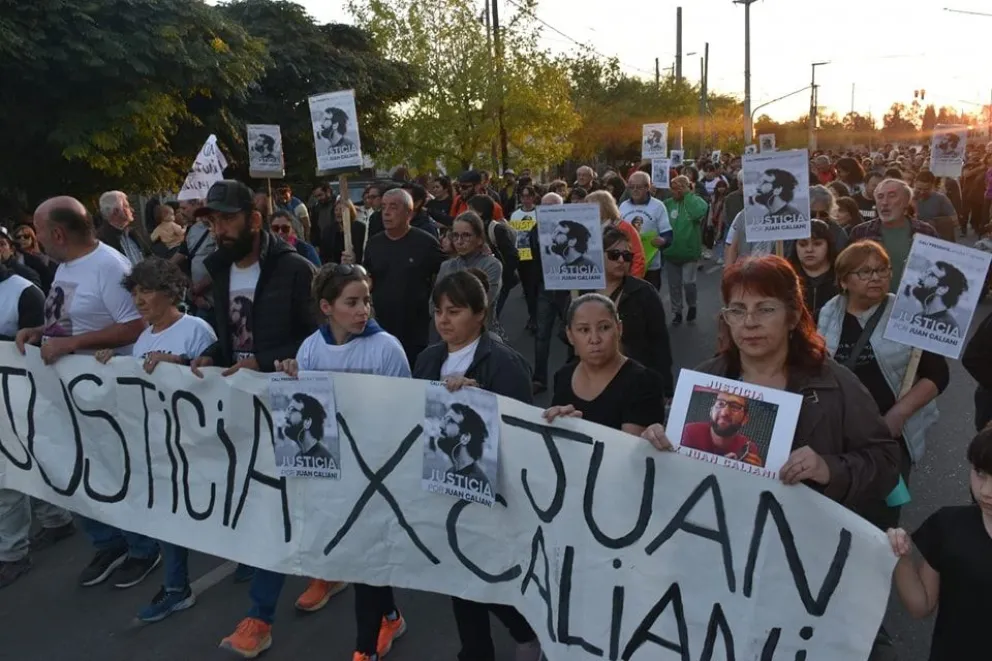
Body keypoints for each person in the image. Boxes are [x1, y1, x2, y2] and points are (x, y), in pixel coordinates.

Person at [231, 263, 408, 660]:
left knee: (367, 557)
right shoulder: (311, 348)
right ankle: (390, 615)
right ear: (327, 307)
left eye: (366, 300)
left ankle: (369, 643)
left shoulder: (386, 349)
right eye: (352, 302)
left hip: (371, 470)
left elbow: (403, 411)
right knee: (352, 552)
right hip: (329, 471)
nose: (363, 310)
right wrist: (292, 376)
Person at [640, 256, 900, 526]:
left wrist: (829, 468)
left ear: (793, 315)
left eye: (765, 309)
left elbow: (886, 462)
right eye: (738, 310)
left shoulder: (834, 383)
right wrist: (657, 444)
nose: (750, 322)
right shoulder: (706, 378)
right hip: (721, 538)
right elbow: (676, 471)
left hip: (804, 542)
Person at [16, 196, 154, 588]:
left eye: (39, 231)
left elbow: (136, 325)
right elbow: (71, 321)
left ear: (58, 233)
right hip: (69, 392)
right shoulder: (67, 267)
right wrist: (42, 333)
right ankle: (108, 542)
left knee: (116, 471)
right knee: (77, 470)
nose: (36, 239)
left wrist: (70, 346)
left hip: (105, 395)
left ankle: (143, 547)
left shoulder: (108, 267)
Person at [93, 257, 216, 621]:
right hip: (163, 442)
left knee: (217, 508)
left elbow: (214, 380)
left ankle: (250, 561)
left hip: (199, 441)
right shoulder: (143, 336)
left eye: (146, 290)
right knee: (169, 513)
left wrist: (179, 362)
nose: (139, 299)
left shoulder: (196, 330)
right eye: (135, 292)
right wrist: (110, 364)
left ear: (170, 292)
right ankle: (177, 588)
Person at [818, 241, 946, 529]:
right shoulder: (828, 312)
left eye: (882, 270)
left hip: (889, 435)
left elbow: (937, 375)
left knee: (881, 518)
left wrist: (899, 414)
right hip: (840, 435)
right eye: (864, 272)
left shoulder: (909, 311)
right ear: (844, 280)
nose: (876, 277)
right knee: (838, 511)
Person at [190, 180, 316, 380]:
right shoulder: (220, 271)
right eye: (212, 221)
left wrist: (262, 363)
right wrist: (211, 356)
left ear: (255, 221)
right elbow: (234, 339)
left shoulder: (295, 269)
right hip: (238, 394)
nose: (219, 230)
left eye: (228, 218)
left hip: (282, 393)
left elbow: (319, 340)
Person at [886, 427, 992, 661]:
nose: (985, 490)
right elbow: (921, 605)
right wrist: (902, 558)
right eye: (979, 473)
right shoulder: (948, 525)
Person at [0, 252, 69, 589]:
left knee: (10, 474)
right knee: (26, 466)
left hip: (18, 397)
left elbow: (39, 344)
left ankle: (12, 553)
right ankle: (56, 520)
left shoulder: (24, 291)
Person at [543, 294, 665, 434]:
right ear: (570, 335)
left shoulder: (643, 382)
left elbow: (631, 449)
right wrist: (555, 420)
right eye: (584, 330)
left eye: (604, 327)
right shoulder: (563, 376)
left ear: (619, 329)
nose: (594, 339)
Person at [363, 188, 446, 366]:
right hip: (382, 326)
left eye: (393, 207)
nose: (386, 212)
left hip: (416, 329)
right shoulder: (373, 244)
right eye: (383, 206)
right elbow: (367, 277)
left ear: (409, 212)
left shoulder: (426, 243)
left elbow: (445, 274)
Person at [598, 226, 673, 397]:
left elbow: (660, 344)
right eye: (614, 254)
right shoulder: (582, 292)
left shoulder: (644, 293)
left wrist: (666, 390)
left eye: (627, 256)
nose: (621, 260)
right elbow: (567, 337)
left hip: (634, 383)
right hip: (593, 381)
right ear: (598, 255)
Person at [849, 178, 937, 292]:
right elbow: (848, 270)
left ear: (906, 202)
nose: (884, 202)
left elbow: (937, 269)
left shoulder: (925, 231)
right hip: (872, 302)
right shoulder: (861, 232)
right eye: (880, 197)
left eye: (892, 196)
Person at [435, 211, 502, 331]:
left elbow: (482, 303)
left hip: (482, 333)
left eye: (466, 235)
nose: (459, 241)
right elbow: (434, 304)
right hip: (450, 333)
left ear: (479, 239)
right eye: (455, 235)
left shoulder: (492, 265)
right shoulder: (446, 266)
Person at [663, 175, 709, 324]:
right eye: (673, 188)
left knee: (689, 283)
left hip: (689, 252)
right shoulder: (667, 204)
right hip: (671, 252)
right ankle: (677, 312)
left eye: (679, 188)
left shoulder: (696, 202)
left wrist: (687, 194)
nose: (675, 191)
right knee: (674, 285)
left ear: (687, 188)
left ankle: (692, 305)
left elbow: (698, 213)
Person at [619, 171, 672, 290]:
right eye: (631, 187)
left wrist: (663, 240)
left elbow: (668, 234)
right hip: (628, 264)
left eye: (639, 187)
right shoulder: (623, 206)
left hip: (651, 265)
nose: (635, 190)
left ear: (647, 187)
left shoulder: (658, 206)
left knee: (650, 302)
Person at [681, 392, 762, 466]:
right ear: (711, 411)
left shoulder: (749, 448)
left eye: (735, 407)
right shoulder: (689, 432)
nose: (724, 413)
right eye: (720, 404)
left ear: (745, 419)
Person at [170, 199, 216, 325]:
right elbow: (183, 254)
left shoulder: (219, 230)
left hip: (215, 300)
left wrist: (197, 290)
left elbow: (221, 263)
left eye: (184, 208)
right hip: (198, 299)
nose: (181, 212)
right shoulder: (192, 229)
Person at [586, 190, 645, 278]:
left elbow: (638, 257)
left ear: (603, 206)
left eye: (590, 206)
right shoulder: (588, 228)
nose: (587, 210)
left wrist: (633, 281)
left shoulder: (624, 227)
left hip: (620, 280)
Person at [787, 219, 839, 320]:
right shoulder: (786, 278)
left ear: (829, 245)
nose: (809, 249)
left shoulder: (842, 277)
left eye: (817, 244)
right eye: (803, 244)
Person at [905, 259, 968, 334]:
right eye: (925, 272)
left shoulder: (948, 326)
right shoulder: (918, 317)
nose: (921, 277)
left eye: (930, 275)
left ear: (942, 289)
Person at [510, 184, 540, 329]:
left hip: (537, 255)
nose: (526, 199)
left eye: (529, 196)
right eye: (523, 196)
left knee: (535, 286)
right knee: (527, 288)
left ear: (534, 197)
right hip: (522, 255)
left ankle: (537, 317)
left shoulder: (539, 213)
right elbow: (513, 237)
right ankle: (532, 315)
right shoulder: (515, 215)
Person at [98, 190, 152, 266]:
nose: (132, 210)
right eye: (126, 206)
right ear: (115, 211)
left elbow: (151, 258)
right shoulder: (102, 241)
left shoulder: (132, 233)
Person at [313, 197, 365, 266]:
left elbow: (361, 249)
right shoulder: (328, 230)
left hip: (354, 267)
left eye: (341, 210)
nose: (338, 213)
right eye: (336, 210)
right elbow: (324, 253)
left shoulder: (359, 227)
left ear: (350, 211)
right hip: (334, 268)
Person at [913, 170, 958, 243]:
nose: (922, 192)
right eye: (919, 189)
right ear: (914, 183)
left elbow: (955, 220)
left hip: (934, 240)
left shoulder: (941, 199)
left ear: (932, 186)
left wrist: (934, 223)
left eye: (926, 189)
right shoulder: (907, 197)